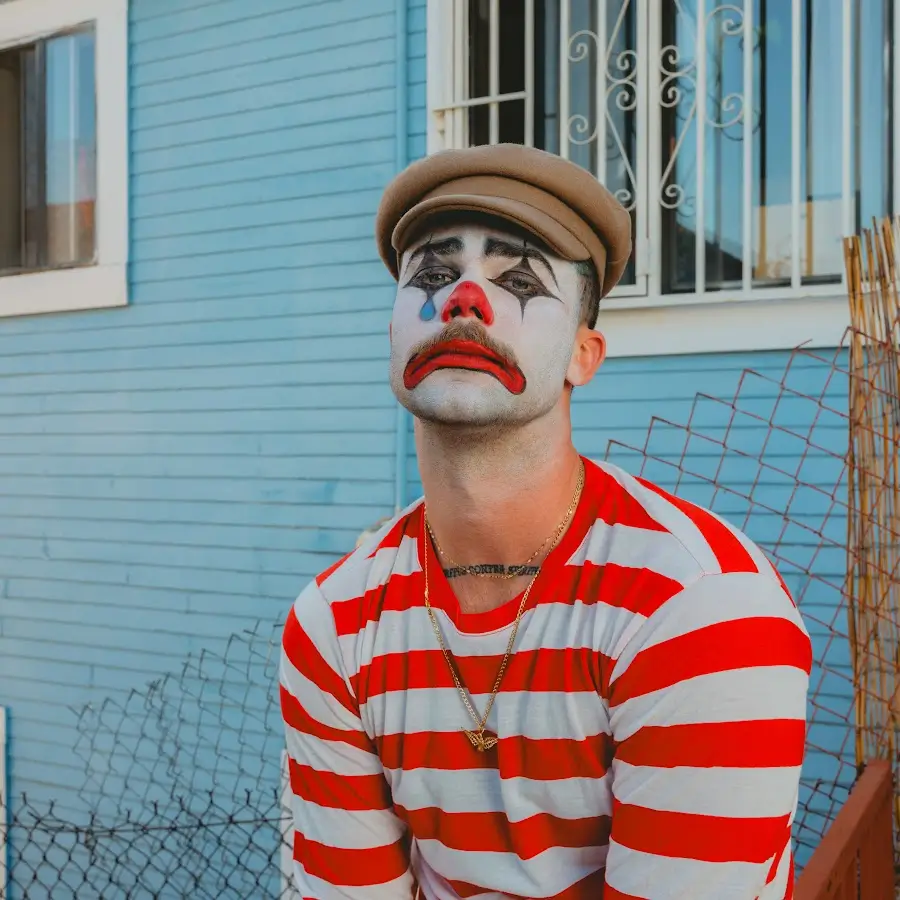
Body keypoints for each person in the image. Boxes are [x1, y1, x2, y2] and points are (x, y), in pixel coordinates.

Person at [279, 144, 812, 899]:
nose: (464, 299)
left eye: (521, 281)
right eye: (431, 275)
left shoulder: (701, 610)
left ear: (582, 356)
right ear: (392, 334)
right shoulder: (332, 626)